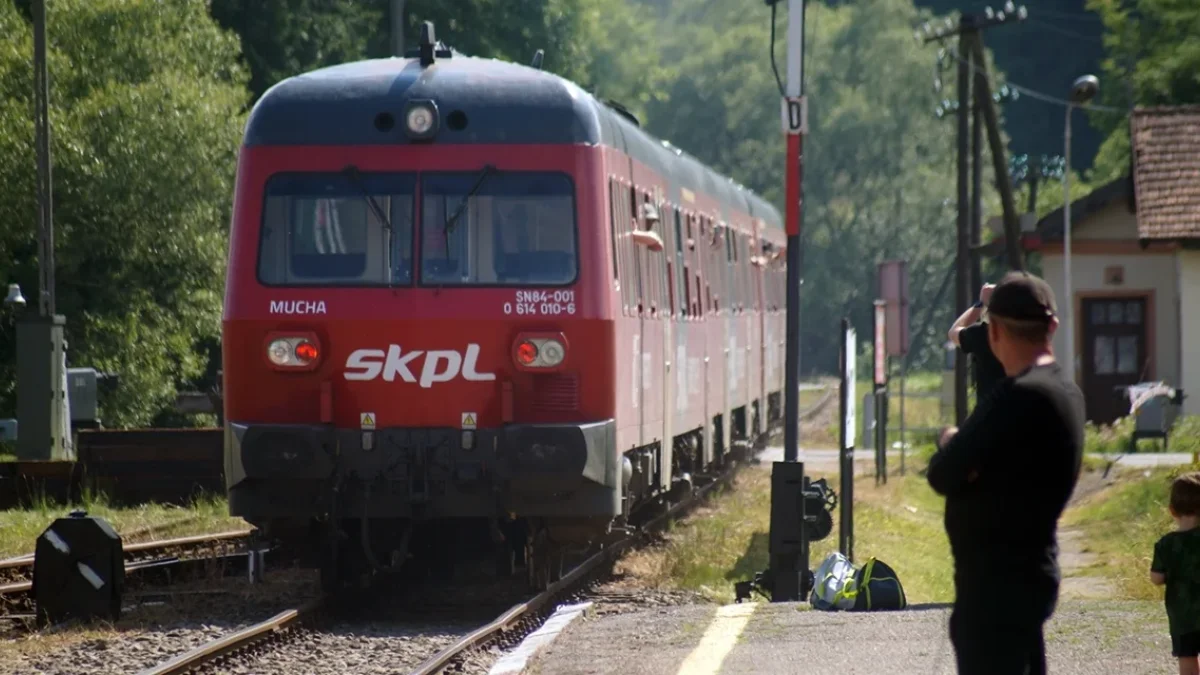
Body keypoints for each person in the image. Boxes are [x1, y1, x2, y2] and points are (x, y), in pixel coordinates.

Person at [927, 271, 1085, 675]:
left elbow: (942, 474)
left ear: (993, 331)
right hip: (1029, 576)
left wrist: (954, 444)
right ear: (1052, 326)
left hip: (994, 591)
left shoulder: (1015, 399)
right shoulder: (1066, 391)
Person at [1150, 471, 1200, 675]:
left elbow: (1156, 578)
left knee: (1187, 656)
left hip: (1183, 615)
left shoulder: (1166, 544)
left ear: (1172, 510)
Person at [948, 282, 1007, 403]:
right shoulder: (1026, 334)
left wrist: (980, 304)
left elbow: (954, 332)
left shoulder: (983, 335)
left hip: (989, 415)